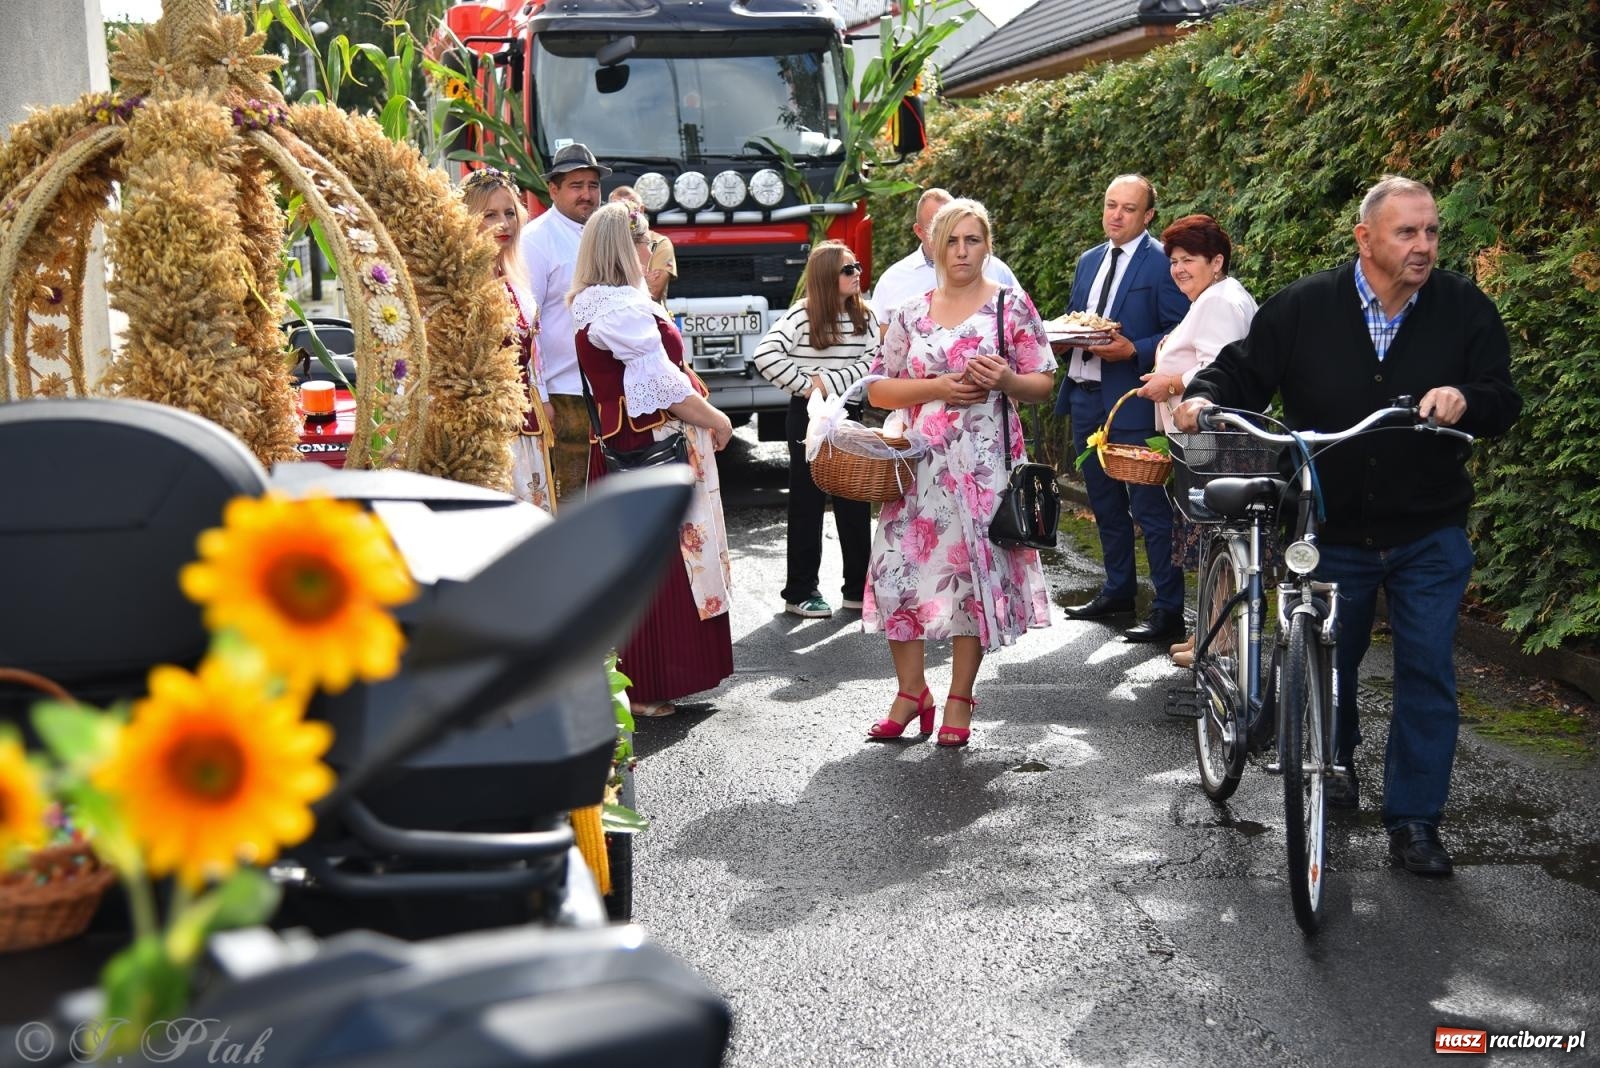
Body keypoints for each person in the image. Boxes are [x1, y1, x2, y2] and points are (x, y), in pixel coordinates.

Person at [1173, 176, 1522, 876]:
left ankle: (1416, 821)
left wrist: (1467, 398)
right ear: (1365, 239)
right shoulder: (1305, 306)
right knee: (1333, 662)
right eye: (1407, 233)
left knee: (1427, 672)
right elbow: (1241, 372)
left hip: (1428, 528)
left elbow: (1500, 398)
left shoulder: (1462, 307)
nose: (1423, 246)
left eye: (1431, 233)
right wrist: (1201, 398)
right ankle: (1331, 762)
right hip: (1330, 525)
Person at [862, 199, 1055, 747]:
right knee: (897, 575)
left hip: (983, 467)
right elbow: (878, 388)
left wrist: (1008, 382)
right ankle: (910, 692)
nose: (963, 251)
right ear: (935, 245)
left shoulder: (1009, 307)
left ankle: (959, 697)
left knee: (968, 583)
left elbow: (1042, 381)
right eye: (953, 240)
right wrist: (938, 388)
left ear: (986, 245)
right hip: (919, 466)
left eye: (973, 240)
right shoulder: (909, 312)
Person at [569, 202, 736, 717]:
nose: (650, 251)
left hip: (632, 450)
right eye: (644, 243)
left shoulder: (603, 303)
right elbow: (666, 388)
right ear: (627, 248)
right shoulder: (618, 309)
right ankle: (646, 685)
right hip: (647, 453)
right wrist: (717, 419)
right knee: (662, 567)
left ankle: (651, 680)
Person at [1053, 174, 1190, 642]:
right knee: (1104, 503)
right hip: (1084, 395)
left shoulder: (1161, 264)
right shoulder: (1088, 260)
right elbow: (1076, 318)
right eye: (1111, 205)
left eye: (1128, 208)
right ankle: (1118, 591)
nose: (1116, 215)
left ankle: (1170, 609)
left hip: (1132, 401)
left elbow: (1180, 332)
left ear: (1148, 215)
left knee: (1150, 509)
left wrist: (1134, 350)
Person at [1133, 214, 1257, 665]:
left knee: (1218, 533)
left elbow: (1219, 369)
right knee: (1210, 535)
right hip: (1204, 436)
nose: (1179, 268)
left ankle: (1221, 639)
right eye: (1174, 261)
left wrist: (1169, 383)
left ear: (1217, 261)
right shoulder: (1213, 297)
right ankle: (1210, 630)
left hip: (1215, 436)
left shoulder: (1220, 302)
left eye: (1190, 259)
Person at [751, 241, 878, 619]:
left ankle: (859, 589)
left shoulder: (865, 317)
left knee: (854, 500)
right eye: (848, 269)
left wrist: (829, 382)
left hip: (848, 413)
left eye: (857, 266)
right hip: (806, 416)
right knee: (805, 502)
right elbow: (765, 355)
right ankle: (800, 591)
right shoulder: (801, 316)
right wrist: (808, 387)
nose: (857, 274)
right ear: (826, 276)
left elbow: (875, 361)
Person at [461, 167, 558, 514]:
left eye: (509, 213)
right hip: (482, 430)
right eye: (490, 214)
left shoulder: (515, 280)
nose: (504, 224)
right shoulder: (459, 285)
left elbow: (533, 355)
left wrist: (544, 400)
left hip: (527, 427)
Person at [520, 143, 609, 503]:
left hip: (608, 388)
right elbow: (528, 324)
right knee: (571, 496)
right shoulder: (537, 240)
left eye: (592, 185)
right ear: (553, 190)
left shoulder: (605, 232)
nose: (587, 194)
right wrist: (540, 396)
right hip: (563, 390)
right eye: (576, 185)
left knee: (607, 496)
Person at [869, 187, 1019, 335]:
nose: (961, 251)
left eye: (971, 239)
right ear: (919, 231)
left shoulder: (997, 271)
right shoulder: (893, 282)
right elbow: (875, 344)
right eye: (938, 230)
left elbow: (1027, 338)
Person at [608, 185, 677, 306]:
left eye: (632, 208)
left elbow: (654, 292)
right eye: (620, 209)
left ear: (642, 210)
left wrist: (615, 285)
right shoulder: (602, 245)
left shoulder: (659, 243)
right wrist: (643, 281)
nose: (627, 215)